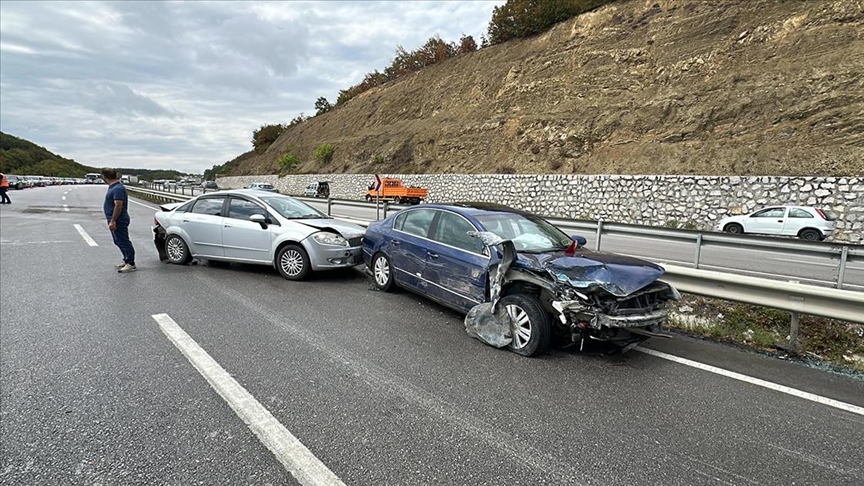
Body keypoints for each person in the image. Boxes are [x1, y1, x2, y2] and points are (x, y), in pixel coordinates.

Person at [102, 168, 136, 273]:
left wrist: (113, 220)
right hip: (116, 219)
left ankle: (130, 263)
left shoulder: (117, 188)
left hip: (118, 220)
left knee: (123, 241)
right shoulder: (114, 187)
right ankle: (126, 259)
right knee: (117, 241)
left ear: (105, 177)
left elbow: (118, 205)